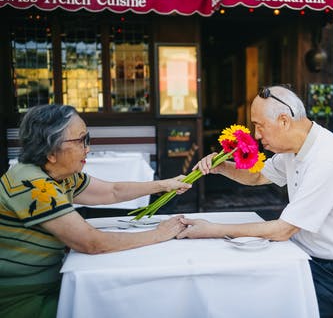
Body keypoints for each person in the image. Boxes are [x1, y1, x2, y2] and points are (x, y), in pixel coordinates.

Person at [177, 85, 333, 318]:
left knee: (262, 306)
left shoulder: (325, 159)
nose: (256, 135)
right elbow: (258, 175)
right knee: (241, 284)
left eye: (259, 126)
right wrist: (222, 167)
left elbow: (283, 230)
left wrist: (213, 230)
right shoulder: (297, 147)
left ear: (283, 121)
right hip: (305, 257)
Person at [0, 104, 192, 318]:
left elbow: (112, 191)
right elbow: (91, 242)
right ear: (51, 151)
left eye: (87, 139)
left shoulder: (59, 175)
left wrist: (163, 185)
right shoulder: (33, 184)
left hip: (48, 286)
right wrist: (159, 234)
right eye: (81, 140)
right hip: (21, 299)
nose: (88, 148)